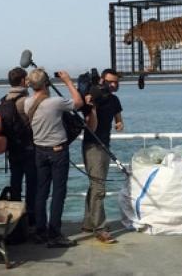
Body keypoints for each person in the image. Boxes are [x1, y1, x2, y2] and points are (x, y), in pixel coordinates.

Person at [24, 68, 95, 247]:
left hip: (39, 151)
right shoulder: (54, 102)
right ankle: (54, 233)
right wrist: (68, 81)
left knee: (41, 191)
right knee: (58, 192)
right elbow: (78, 103)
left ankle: (40, 231)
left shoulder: (27, 103)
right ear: (46, 83)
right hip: (57, 151)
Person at [81, 69, 123, 244]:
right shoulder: (93, 98)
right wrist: (91, 107)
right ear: (102, 80)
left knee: (94, 185)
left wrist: (119, 123)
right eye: (110, 81)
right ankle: (100, 228)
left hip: (105, 145)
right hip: (93, 146)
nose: (113, 85)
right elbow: (90, 125)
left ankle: (89, 222)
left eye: (116, 82)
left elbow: (118, 119)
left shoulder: (114, 100)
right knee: (99, 188)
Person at [0, 67, 37, 229]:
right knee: (32, 185)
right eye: (26, 79)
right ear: (22, 81)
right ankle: (32, 220)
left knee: (15, 185)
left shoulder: (3, 100)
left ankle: (15, 222)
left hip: (12, 149)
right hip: (28, 148)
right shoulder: (25, 101)